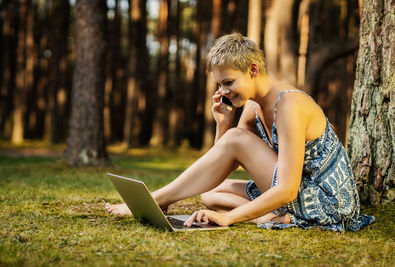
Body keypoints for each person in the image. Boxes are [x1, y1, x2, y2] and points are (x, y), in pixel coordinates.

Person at [106, 33, 374, 232]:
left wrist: (229, 217)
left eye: (228, 82)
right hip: (296, 190)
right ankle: (266, 216)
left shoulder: (289, 105)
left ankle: (157, 199)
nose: (222, 91)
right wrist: (223, 124)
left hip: (326, 201)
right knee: (210, 194)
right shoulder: (253, 107)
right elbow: (221, 165)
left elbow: (288, 189)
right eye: (219, 84)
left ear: (253, 70)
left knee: (229, 165)